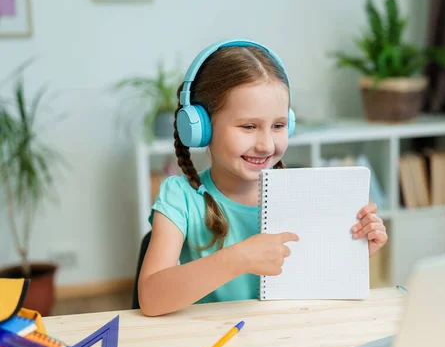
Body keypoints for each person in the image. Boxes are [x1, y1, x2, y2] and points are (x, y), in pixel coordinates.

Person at [138, 39, 388, 317]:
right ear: (201, 127)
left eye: (278, 125)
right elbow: (150, 298)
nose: (267, 145)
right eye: (248, 126)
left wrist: (351, 252)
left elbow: (311, 292)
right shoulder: (180, 197)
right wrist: (239, 258)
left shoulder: (302, 195)